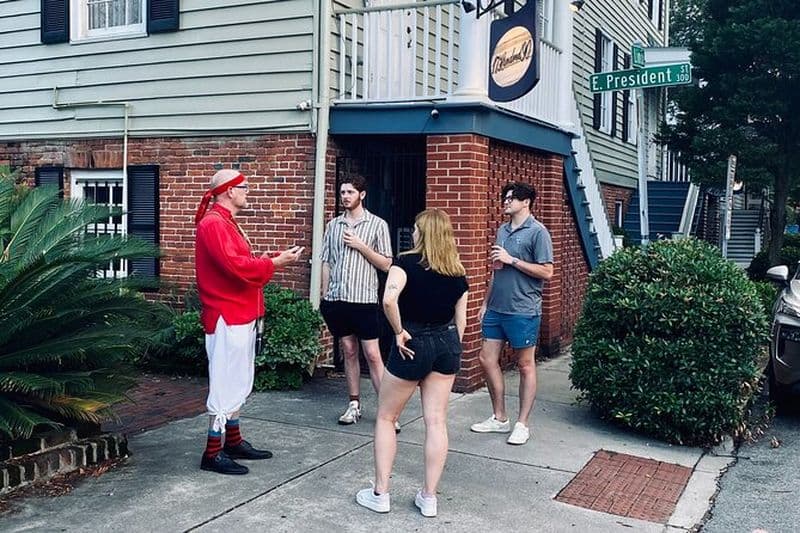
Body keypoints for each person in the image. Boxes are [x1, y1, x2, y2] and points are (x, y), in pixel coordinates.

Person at [355, 208, 468, 518]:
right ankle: (429, 497)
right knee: (436, 421)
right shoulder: (457, 271)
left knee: (386, 418)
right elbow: (462, 322)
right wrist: (448, 347)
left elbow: (389, 300)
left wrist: (399, 331)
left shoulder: (404, 262)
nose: (414, 233)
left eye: (417, 228)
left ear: (423, 233)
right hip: (446, 343)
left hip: (412, 341)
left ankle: (380, 493)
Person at [195, 168, 304, 475]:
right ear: (229, 190)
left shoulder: (224, 222)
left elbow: (240, 263)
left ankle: (232, 440)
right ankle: (212, 452)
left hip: (238, 312)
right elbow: (235, 267)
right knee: (224, 382)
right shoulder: (214, 224)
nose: (247, 191)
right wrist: (274, 263)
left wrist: (270, 258)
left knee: (238, 380)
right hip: (226, 314)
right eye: (243, 187)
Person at [470, 182, 553, 446]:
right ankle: (499, 417)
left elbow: (547, 272)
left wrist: (513, 260)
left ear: (526, 202)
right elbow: (497, 270)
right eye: (504, 198)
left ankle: (522, 424)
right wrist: (485, 303)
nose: (505, 202)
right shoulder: (502, 230)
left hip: (523, 309)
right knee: (486, 359)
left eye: (510, 198)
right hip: (497, 307)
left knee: (525, 365)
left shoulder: (538, 232)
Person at [319, 176, 394, 427]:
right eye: (342, 192)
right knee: (349, 351)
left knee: (372, 354)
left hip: (364, 299)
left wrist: (361, 246)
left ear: (362, 195)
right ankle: (354, 405)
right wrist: (324, 293)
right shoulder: (334, 225)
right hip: (338, 298)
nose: (345, 196)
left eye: (350, 192)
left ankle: (388, 412)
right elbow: (326, 260)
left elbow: (386, 264)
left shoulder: (377, 225)